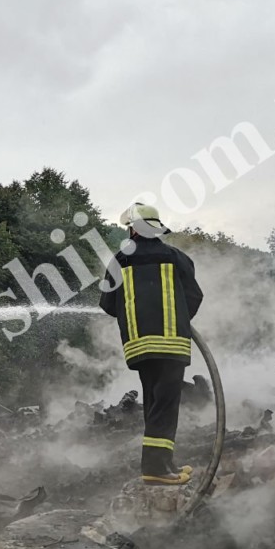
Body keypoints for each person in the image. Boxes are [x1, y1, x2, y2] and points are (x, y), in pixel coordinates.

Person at [99, 203, 204, 485]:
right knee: (166, 404)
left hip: (139, 347)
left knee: (154, 403)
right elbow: (194, 296)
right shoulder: (176, 257)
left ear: (132, 229)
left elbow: (107, 304)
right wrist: (179, 318)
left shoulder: (119, 261)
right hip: (172, 344)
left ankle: (164, 463)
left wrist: (136, 316)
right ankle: (156, 469)